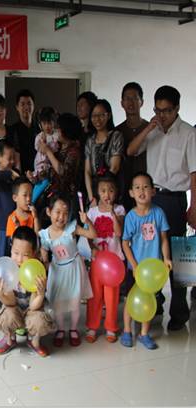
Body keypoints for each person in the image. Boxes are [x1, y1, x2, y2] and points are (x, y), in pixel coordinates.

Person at [127, 85, 196, 331]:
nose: (162, 115)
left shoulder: (188, 133)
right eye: (158, 110)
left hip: (176, 200)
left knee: (178, 257)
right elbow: (131, 150)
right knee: (149, 253)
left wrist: (194, 206)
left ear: (177, 108)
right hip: (151, 199)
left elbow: (194, 173)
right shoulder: (153, 130)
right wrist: (149, 127)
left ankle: (180, 312)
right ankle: (152, 305)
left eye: (167, 111)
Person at [121, 172, 171, 349]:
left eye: (145, 187)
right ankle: (127, 331)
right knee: (130, 299)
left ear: (153, 191)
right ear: (131, 193)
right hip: (135, 269)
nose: (141, 191)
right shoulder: (131, 217)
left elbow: (164, 239)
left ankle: (144, 334)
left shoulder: (159, 213)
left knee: (149, 300)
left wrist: (166, 258)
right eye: (137, 188)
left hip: (153, 271)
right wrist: (134, 265)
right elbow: (125, 243)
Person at [39, 194, 96, 348]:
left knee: (74, 302)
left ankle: (73, 329)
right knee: (58, 303)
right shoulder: (45, 234)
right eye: (57, 212)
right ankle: (60, 329)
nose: (61, 217)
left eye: (65, 213)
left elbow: (93, 234)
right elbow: (44, 251)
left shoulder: (72, 228)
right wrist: (45, 263)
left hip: (74, 269)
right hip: (57, 270)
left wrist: (87, 221)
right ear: (49, 212)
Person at [0, 226, 55, 356]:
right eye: (16, 253)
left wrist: (41, 294)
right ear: (11, 250)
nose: (20, 259)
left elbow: (33, 305)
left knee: (39, 320)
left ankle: (34, 341)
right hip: (14, 308)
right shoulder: (7, 270)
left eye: (25, 255)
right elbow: (11, 302)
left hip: (31, 311)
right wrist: (0, 295)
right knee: (7, 316)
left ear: (34, 254)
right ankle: (9, 339)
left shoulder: (36, 272)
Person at [85, 175, 125, 343]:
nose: (107, 194)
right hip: (97, 261)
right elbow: (88, 236)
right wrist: (92, 248)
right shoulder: (92, 212)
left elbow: (119, 232)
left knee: (112, 296)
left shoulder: (120, 209)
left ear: (116, 192)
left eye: (111, 190)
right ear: (97, 192)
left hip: (114, 263)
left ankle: (111, 327)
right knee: (94, 295)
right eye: (103, 190)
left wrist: (112, 213)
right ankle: (92, 326)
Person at [37, 113, 83, 219]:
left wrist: (48, 152)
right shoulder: (58, 147)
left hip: (68, 200)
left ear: (63, 131)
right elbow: (51, 171)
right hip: (55, 197)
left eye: (57, 128)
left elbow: (63, 172)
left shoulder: (74, 151)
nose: (55, 131)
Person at [84, 99, 124, 206]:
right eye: (94, 116)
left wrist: (104, 195)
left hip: (110, 192)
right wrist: (92, 197)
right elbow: (87, 171)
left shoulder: (116, 136)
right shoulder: (90, 140)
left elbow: (114, 168)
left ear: (109, 115)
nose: (97, 119)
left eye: (101, 115)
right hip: (94, 193)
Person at [115, 83, 148, 210]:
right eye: (127, 98)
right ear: (122, 103)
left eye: (135, 98)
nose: (131, 102)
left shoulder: (150, 129)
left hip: (146, 189)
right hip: (123, 190)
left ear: (142, 102)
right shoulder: (117, 131)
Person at [0, 140, 19, 258]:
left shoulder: (14, 175)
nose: (12, 161)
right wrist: (10, 174)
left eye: (14, 158)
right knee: (1, 257)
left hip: (15, 223)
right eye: (9, 158)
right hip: (2, 225)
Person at [27, 107, 59, 204]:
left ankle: (33, 200)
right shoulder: (40, 136)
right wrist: (44, 142)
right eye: (44, 123)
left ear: (54, 122)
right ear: (40, 125)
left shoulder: (57, 135)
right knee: (38, 177)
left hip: (50, 165)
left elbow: (56, 149)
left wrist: (47, 146)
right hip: (40, 163)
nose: (47, 126)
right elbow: (38, 147)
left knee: (43, 182)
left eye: (50, 123)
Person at [9, 89, 40, 175]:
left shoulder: (40, 129)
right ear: (17, 107)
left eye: (29, 104)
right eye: (22, 104)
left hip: (39, 176)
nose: (26, 107)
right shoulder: (12, 130)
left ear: (33, 106)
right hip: (20, 177)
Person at [6, 178, 40, 246]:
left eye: (31, 195)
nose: (29, 199)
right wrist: (17, 226)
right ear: (15, 198)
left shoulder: (33, 215)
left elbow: (38, 238)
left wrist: (36, 218)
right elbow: (13, 243)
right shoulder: (12, 218)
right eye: (25, 195)